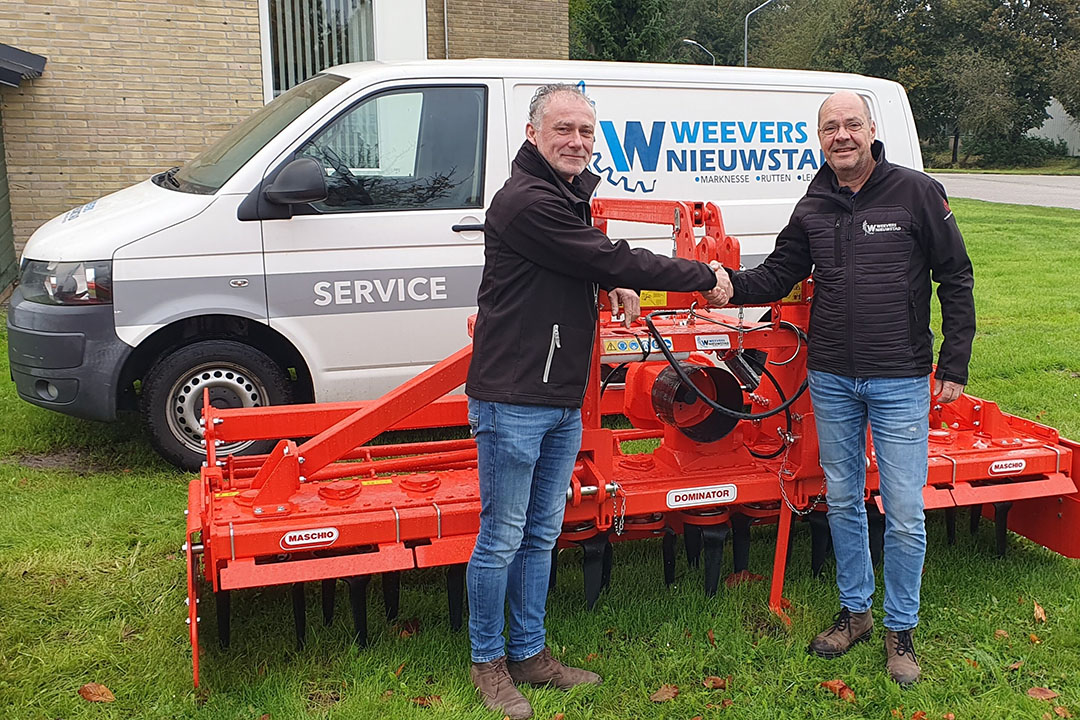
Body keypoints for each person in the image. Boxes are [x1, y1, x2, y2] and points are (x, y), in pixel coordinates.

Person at [464, 83, 729, 719]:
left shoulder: (563, 195)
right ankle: (489, 663)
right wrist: (703, 277)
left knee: (542, 533)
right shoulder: (527, 201)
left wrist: (607, 288)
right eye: (563, 130)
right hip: (515, 395)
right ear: (533, 135)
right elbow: (602, 253)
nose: (577, 142)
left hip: (558, 395)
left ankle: (530, 651)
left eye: (586, 132)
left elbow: (578, 266)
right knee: (501, 535)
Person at [711, 91, 975, 686]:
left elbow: (955, 277)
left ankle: (899, 629)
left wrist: (953, 364)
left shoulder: (916, 192)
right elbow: (780, 273)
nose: (842, 136)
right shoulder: (815, 201)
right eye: (830, 128)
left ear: (871, 129)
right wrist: (724, 283)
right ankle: (855, 613)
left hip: (901, 376)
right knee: (843, 499)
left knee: (904, 511)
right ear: (820, 138)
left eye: (852, 124)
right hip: (830, 378)